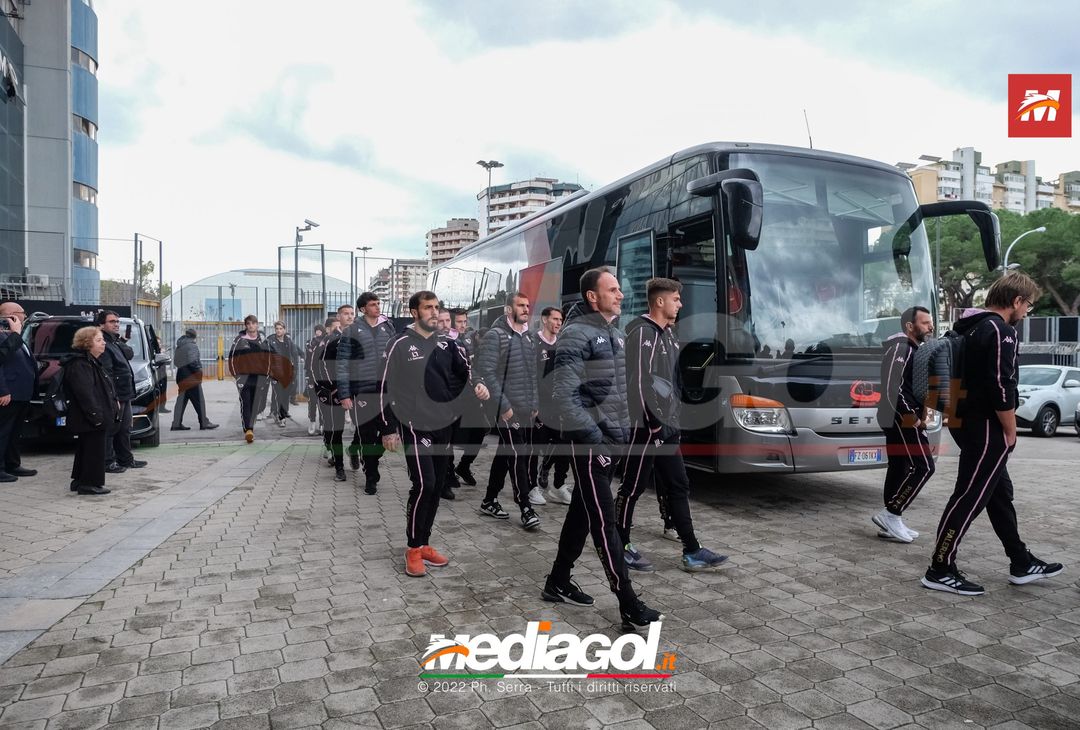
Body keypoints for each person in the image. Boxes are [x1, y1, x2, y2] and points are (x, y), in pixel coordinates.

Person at [922, 272, 1064, 595]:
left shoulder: (968, 326)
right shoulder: (1002, 332)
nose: (1027, 312)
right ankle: (939, 568)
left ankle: (1020, 560)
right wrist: (1011, 432)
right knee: (969, 496)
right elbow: (1003, 387)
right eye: (1027, 305)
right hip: (987, 427)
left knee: (998, 494)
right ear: (1016, 301)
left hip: (963, 421)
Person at [543, 267, 663, 631]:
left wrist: (622, 432)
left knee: (582, 511)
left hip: (611, 442)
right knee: (604, 522)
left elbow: (617, 392)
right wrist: (596, 440)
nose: (621, 294)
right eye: (612, 289)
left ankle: (557, 581)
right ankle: (628, 602)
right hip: (591, 445)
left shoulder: (611, 332)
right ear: (592, 297)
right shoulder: (576, 334)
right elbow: (564, 396)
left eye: (619, 289)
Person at [615, 278, 729, 574]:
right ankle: (619, 544)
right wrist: (653, 425)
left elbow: (672, 383)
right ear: (660, 301)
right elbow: (640, 382)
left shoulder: (669, 335)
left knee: (678, 485)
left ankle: (692, 550)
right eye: (677, 299)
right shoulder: (643, 333)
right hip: (645, 428)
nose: (681, 304)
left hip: (667, 429)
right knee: (632, 487)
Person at [381, 290, 490, 577]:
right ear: (415, 312)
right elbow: (383, 387)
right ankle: (413, 549)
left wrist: (478, 384)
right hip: (414, 427)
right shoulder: (400, 344)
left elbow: (467, 371)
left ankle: (425, 542)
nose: (433, 312)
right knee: (424, 484)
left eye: (436, 307)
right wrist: (388, 428)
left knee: (438, 485)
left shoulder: (447, 344)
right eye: (427, 307)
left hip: (444, 426)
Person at [475, 291, 541, 529]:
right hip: (507, 410)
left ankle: (489, 500)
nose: (525, 309)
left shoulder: (529, 337)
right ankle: (526, 507)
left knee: (506, 453)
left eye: (527, 305)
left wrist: (534, 404)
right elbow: (487, 373)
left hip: (525, 409)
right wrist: (504, 406)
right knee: (518, 455)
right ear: (508, 309)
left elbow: (533, 375)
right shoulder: (497, 335)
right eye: (521, 305)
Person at [872, 306, 935, 543]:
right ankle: (891, 513)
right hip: (901, 418)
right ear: (910, 326)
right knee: (924, 467)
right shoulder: (902, 348)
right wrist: (913, 418)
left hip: (900, 417)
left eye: (930, 322)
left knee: (899, 467)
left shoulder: (912, 349)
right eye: (925, 323)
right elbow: (893, 389)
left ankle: (892, 522)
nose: (931, 327)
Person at [337, 292, 397, 494]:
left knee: (390, 434)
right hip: (362, 392)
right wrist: (344, 395)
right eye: (373, 304)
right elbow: (343, 364)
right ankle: (371, 477)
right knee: (367, 435)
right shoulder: (352, 330)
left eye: (378, 303)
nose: (378, 307)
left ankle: (357, 452)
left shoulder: (388, 327)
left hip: (386, 391)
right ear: (363, 309)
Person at [62, 326, 118, 495]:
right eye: (99, 340)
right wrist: (96, 416)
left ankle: (80, 480)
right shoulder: (80, 364)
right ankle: (89, 483)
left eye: (103, 340)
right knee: (93, 450)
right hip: (89, 416)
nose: (103, 344)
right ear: (87, 343)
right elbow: (85, 393)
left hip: (92, 415)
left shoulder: (90, 361)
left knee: (86, 448)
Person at [96, 310, 146, 473]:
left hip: (125, 393)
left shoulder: (114, 341)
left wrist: (122, 340)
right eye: (112, 321)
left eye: (117, 321)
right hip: (116, 394)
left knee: (124, 429)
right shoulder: (102, 342)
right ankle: (107, 462)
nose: (116, 324)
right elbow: (107, 373)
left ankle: (126, 459)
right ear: (101, 324)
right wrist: (113, 396)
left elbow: (129, 354)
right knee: (112, 429)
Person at [535, 306, 572, 505]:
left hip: (560, 406)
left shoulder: (563, 344)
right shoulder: (534, 343)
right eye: (555, 319)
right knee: (536, 446)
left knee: (563, 444)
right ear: (544, 319)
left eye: (561, 320)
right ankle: (533, 487)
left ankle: (559, 485)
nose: (558, 323)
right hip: (539, 406)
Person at [448, 309, 487, 488]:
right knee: (449, 435)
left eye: (465, 321)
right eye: (460, 322)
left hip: (470, 394)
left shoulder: (469, 340)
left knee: (480, 428)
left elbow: (473, 367)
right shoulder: (446, 341)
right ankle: (447, 471)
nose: (464, 325)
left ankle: (464, 465)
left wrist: (479, 382)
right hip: (451, 397)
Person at [0, 302, 36, 482]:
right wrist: (2, 390)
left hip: (21, 392)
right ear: (11, 315)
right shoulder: (4, 334)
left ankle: (12, 464)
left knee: (15, 432)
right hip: (8, 393)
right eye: (22, 313)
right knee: (3, 431)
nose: (24, 316)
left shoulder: (16, 334)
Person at [313, 309, 350, 481]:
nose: (350, 316)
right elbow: (321, 365)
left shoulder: (358, 336)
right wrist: (333, 388)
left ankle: (356, 451)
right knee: (336, 429)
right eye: (346, 313)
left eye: (352, 313)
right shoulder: (330, 340)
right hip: (333, 391)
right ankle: (339, 466)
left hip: (355, 390)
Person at [229, 315, 272, 444]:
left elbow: (269, 360)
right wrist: (236, 376)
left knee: (255, 405)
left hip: (259, 378)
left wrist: (266, 376)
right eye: (248, 324)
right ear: (246, 326)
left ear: (257, 325)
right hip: (243, 378)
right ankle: (249, 430)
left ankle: (250, 427)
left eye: (253, 323)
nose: (251, 326)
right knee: (245, 403)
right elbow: (232, 359)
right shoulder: (239, 341)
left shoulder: (263, 341)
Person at [170, 328, 218, 431]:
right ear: (194, 337)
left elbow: (176, 362)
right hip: (191, 378)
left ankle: (176, 423)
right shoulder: (192, 346)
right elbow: (193, 362)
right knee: (199, 400)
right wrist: (199, 373)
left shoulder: (179, 345)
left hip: (181, 377)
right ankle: (204, 423)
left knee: (181, 401)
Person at [267, 321, 299, 427]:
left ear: (284, 330)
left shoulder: (289, 342)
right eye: (277, 328)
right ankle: (281, 417)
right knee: (278, 396)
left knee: (285, 396)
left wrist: (294, 373)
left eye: (281, 328)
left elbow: (295, 357)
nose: (278, 330)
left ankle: (282, 414)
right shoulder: (270, 341)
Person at [304, 323, 326, 436]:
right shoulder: (310, 342)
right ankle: (312, 421)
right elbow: (308, 358)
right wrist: (307, 373)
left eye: (320, 330)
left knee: (322, 400)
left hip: (323, 376)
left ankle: (322, 424)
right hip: (312, 375)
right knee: (312, 400)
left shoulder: (326, 342)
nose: (318, 332)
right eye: (316, 330)